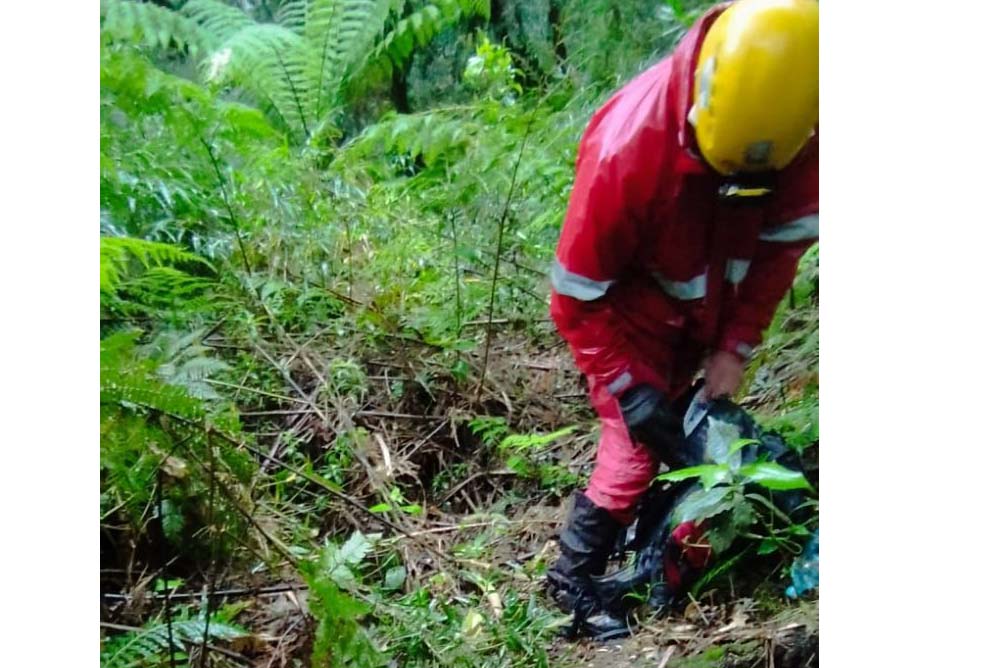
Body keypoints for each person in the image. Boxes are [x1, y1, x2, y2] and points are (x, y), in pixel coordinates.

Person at [545, 0, 819, 638]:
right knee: (635, 445)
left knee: (688, 433)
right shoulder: (626, 152)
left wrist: (734, 347)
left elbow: (776, 256)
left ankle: (641, 543)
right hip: (628, 320)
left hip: (703, 319)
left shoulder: (802, 126)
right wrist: (627, 388)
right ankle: (572, 581)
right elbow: (575, 297)